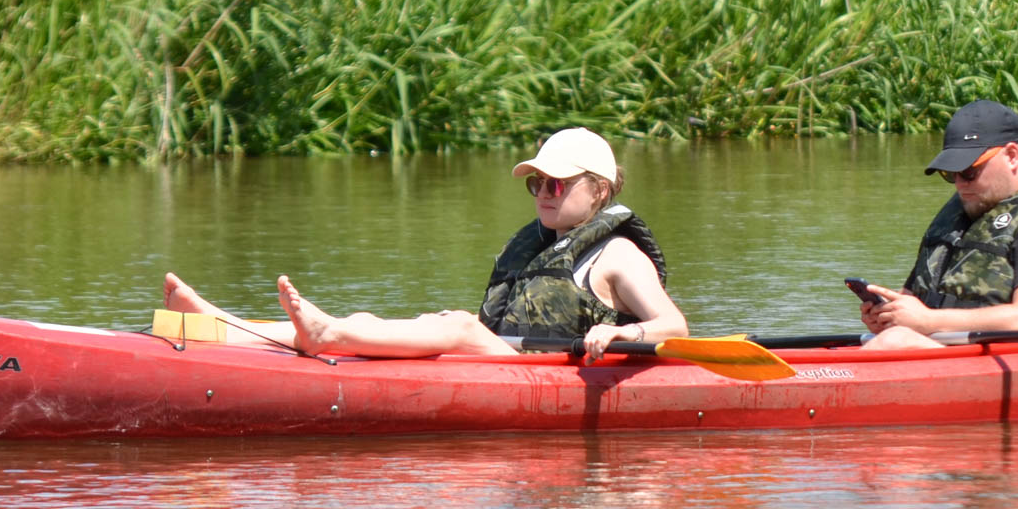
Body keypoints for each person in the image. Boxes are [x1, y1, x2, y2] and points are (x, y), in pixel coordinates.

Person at [163, 128, 688, 362]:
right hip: (505, 358)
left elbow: (674, 327)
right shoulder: (541, 244)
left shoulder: (618, 254)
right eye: (537, 184)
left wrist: (619, 334)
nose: (544, 194)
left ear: (598, 189)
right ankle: (220, 325)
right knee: (392, 321)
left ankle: (325, 334)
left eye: (557, 184)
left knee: (456, 328)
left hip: (544, 370)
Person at [861, 99, 1018, 350]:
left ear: (1011, 156)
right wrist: (889, 316)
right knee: (893, 337)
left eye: (970, 170)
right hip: (944, 355)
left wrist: (926, 320)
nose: (960, 183)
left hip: (1011, 361)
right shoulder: (954, 227)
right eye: (950, 174)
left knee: (896, 342)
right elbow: (913, 304)